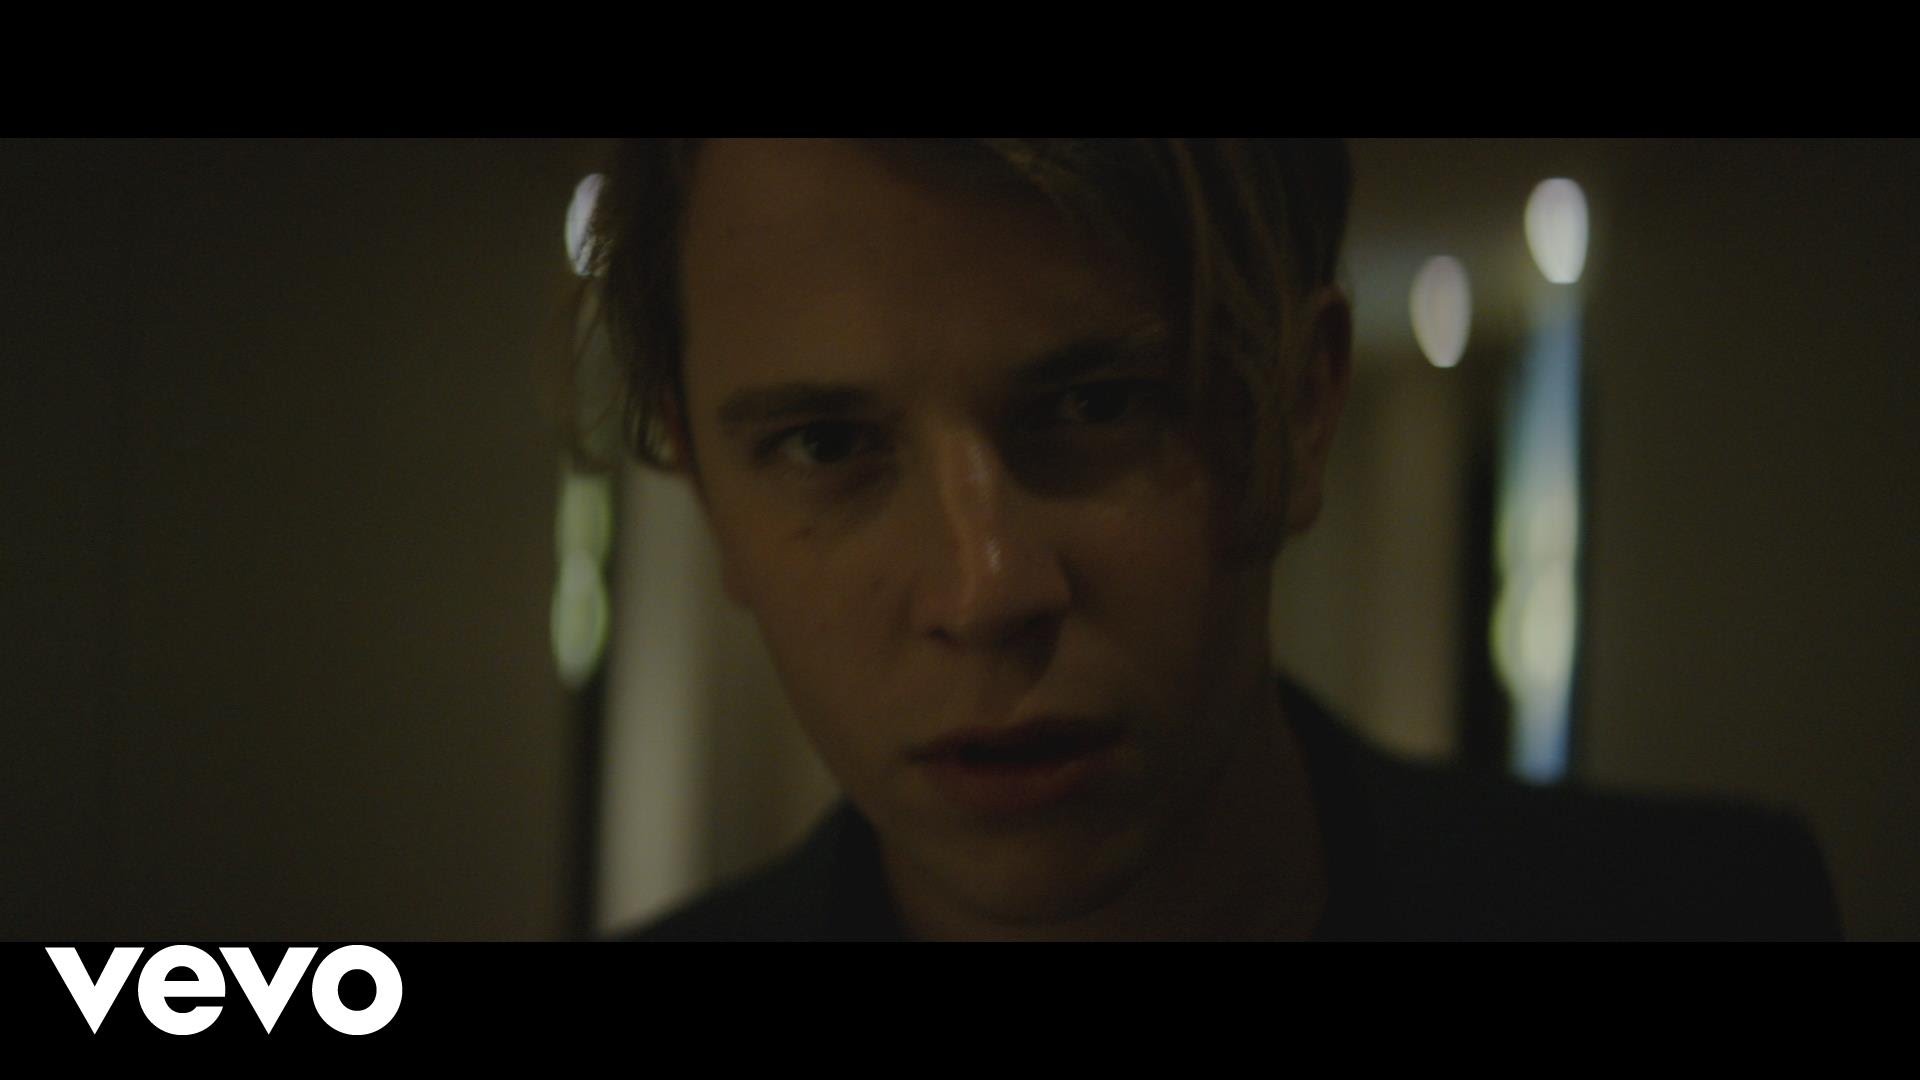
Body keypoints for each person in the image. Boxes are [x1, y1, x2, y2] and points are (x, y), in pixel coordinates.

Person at [585, 138, 1841, 941]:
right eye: (823, 444)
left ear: (1302, 410)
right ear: (705, 494)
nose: (986, 590)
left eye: (1098, 406)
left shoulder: (1708, 914)